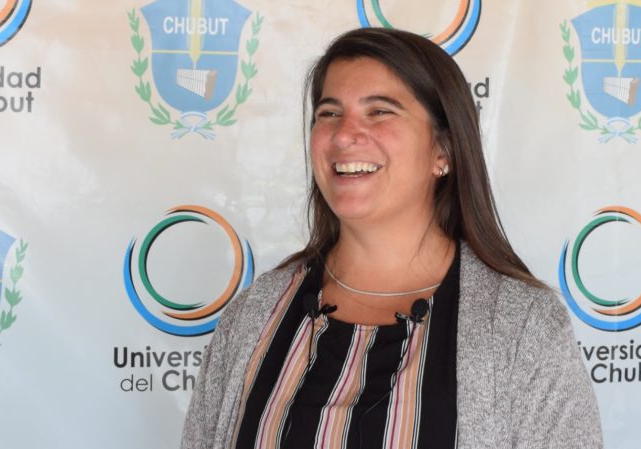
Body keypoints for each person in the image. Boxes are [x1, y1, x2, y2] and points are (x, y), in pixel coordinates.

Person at [181, 28, 602, 449]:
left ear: (443, 150)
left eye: (379, 111)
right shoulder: (253, 316)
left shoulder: (523, 328)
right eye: (329, 113)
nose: (343, 135)